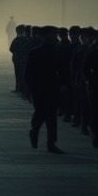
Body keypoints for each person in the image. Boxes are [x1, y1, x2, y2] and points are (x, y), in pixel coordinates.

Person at [24, 25, 65, 154]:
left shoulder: (57, 52)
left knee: (51, 115)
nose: (54, 37)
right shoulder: (35, 52)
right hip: (38, 88)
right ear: (44, 36)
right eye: (52, 34)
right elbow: (28, 73)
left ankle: (51, 143)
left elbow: (63, 71)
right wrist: (30, 89)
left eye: (55, 34)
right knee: (40, 112)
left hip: (52, 87)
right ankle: (34, 131)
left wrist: (63, 85)